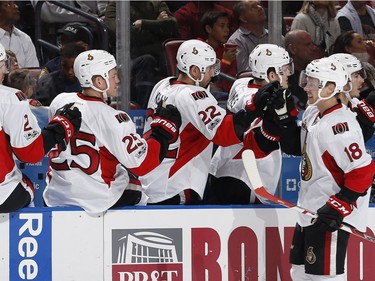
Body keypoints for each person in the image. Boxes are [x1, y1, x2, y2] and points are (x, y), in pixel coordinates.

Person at [43, 49, 182, 215]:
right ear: (99, 81)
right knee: (141, 189)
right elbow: (142, 164)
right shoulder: (114, 118)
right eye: (113, 75)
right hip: (97, 198)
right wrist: (163, 131)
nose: (117, 80)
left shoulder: (60, 101)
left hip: (57, 195)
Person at [140, 39, 273, 205]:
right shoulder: (193, 95)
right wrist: (254, 107)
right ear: (195, 71)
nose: (213, 74)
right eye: (210, 68)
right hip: (176, 186)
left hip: (151, 181)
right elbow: (225, 134)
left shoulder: (162, 84)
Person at [287, 57, 375, 280]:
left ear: (330, 87)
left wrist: (338, 206)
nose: (306, 87)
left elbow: (362, 171)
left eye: (312, 83)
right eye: (307, 82)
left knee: (324, 277)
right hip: (308, 210)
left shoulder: (340, 125)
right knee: (298, 273)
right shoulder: (313, 112)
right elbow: (298, 147)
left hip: (327, 214)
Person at [209, 43, 297, 204]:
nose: (289, 73)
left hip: (225, 170)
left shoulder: (241, 83)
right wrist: (260, 102)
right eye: (285, 69)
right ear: (271, 74)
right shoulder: (258, 97)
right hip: (246, 178)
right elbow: (248, 100)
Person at [0, 42, 82, 212]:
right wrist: (60, 127)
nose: (6, 71)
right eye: (2, 65)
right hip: (3, 193)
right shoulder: (9, 98)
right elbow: (29, 153)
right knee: (24, 189)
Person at [105, 1, 177, 108]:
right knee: (147, 61)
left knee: (169, 59)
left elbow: (172, 26)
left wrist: (143, 24)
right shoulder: (116, 6)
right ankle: (144, 109)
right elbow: (124, 35)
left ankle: (173, 104)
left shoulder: (156, 3)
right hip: (127, 57)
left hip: (158, 56)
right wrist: (157, 25)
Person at [200, 10, 237, 100]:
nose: (227, 30)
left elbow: (231, 81)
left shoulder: (226, 50)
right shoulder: (199, 48)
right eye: (222, 26)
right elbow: (205, 80)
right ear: (209, 29)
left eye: (227, 26)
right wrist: (225, 62)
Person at [227, 0, 269, 73]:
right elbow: (245, 72)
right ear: (243, 18)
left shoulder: (275, 37)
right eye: (253, 7)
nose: (259, 8)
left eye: (259, 5)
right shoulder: (236, 41)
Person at [285, 29, 322, 110]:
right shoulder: (282, 77)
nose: (314, 48)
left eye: (313, 44)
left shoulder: (319, 73)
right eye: (308, 45)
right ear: (292, 49)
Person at [0, 1, 39, 67]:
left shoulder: (25, 39)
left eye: (15, 3)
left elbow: (33, 71)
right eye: (9, 4)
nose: (16, 7)